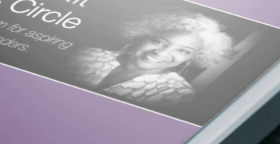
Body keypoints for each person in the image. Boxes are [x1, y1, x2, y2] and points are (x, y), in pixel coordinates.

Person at [72, 12, 234, 106]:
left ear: (192, 58)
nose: (161, 52)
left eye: (183, 50)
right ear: (142, 37)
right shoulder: (85, 54)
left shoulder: (177, 94)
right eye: (158, 41)